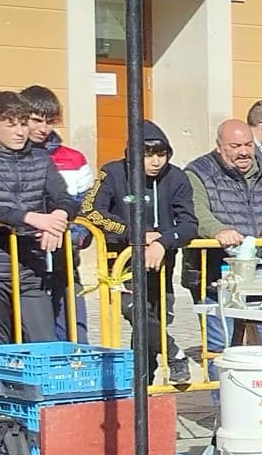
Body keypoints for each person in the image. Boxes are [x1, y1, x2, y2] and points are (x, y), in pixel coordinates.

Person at [81, 120, 197, 385]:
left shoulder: (177, 177)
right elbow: (91, 210)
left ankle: (142, 387)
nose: (156, 162)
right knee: (135, 311)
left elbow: (189, 224)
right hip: (121, 263)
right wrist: (134, 234)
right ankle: (174, 353)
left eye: (161, 154)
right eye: (148, 155)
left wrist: (163, 241)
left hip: (160, 263)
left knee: (154, 321)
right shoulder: (112, 173)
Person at [184, 118, 262, 353]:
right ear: (219, 146)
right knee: (221, 350)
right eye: (235, 146)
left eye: (248, 145)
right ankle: (219, 392)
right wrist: (217, 231)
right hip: (217, 280)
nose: (244, 152)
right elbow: (195, 213)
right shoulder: (198, 172)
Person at [0, 91, 84, 345]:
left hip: (29, 267)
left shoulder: (40, 158)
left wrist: (57, 218)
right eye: (11, 124)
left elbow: (64, 197)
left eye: (24, 123)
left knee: (45, 342)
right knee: (0, 349)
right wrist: (30, 218)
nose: (20, 132)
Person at [20, 85, 91, 341]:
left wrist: (75, 235)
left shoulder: (73, 159)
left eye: (50, 121)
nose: (44, 128)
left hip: (65, 259)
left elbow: (86, 206)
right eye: (37, 120)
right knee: (31, 336)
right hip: (23, 260)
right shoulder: (9, 157)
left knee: (75, 333)